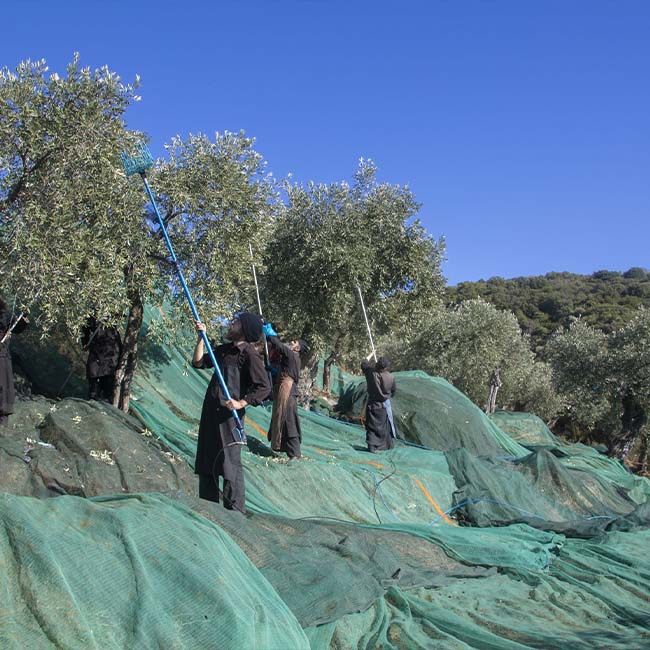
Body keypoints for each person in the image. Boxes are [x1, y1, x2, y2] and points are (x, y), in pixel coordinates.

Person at [192, 312, 270, 512]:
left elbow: (263, 387)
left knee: (229, 464)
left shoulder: (249, 355)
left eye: (235, 322)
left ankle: (234, 512)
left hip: (229, 419)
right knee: (207, 460)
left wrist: (241, 403)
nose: (230, 324)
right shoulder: (224, 350)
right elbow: (199, 362)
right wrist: (201, 339)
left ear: (243, 329)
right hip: (211, 413)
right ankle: (209, 509)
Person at [263, 323, 308, 460]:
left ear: (297, 348)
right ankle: (288, 450)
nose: (290, 343)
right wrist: (274, 371)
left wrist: (267, 329)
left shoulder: (291, 354)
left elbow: (277, 344)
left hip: (288, 393)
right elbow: (287, 371)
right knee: (283, 419)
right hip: (286, 391)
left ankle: (295, 453)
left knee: (289, 420)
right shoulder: (293, 358)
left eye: (294, 342)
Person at [0, 299, 29, 427]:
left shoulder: (5, 314)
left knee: (3, 391)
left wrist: (23, 318)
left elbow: (15, 328)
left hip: (3, 357)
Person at [361, 354, 396, 453]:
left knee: (371, 426)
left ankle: (372, 446)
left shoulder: (371, 373)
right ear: (386, 367)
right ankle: (382, 446)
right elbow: (393, 391)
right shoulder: (391, 377)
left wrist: (371, 354)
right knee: (383, 426)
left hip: (372, 404)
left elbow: (364, 363)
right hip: (383, 406)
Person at [81, 317, 122, 402]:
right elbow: (84, 327)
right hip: (100, 353)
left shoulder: (113, 312)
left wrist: (85, 342)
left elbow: (85, 328)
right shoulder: (92, 313)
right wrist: (85, 342)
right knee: (94, 387)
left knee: (105, 389)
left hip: (110, 354)